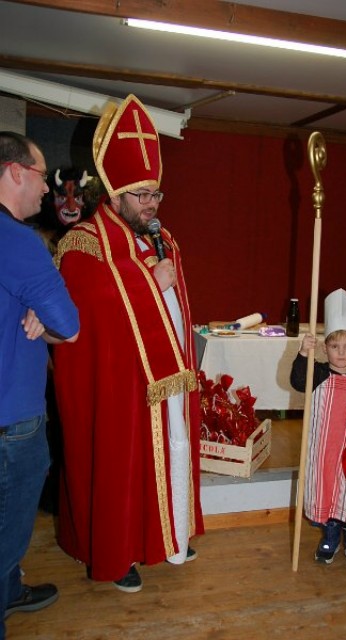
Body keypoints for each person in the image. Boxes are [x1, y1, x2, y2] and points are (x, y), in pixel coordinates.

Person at [53, 94, 204, 593]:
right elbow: (89, 318)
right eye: (141, 195)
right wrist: (149, 284)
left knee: (173, 450)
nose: (151, 203)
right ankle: (118, 554)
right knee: (122, 467)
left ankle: (170, 534)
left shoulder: (166, 240)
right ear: (114, 193)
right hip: (121, 388)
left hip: (170, 383)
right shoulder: (84, 244)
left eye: (155, 193)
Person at [0, 132, 80, 638]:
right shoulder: (19, 240)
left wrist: (29, 310)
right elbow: (69, 327)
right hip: (11, 421)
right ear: (14, 172)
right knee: (6, 534)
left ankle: (11, 589)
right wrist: (45, 318)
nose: (48, 189)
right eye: (41, 175)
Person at [290, 288, 346, 572]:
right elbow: (297, 381)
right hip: (323, 450)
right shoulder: (317, 373)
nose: (341, 353)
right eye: (334, 346)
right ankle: (330, 535)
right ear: (324, 347)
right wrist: (303, 353)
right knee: (326, 491)